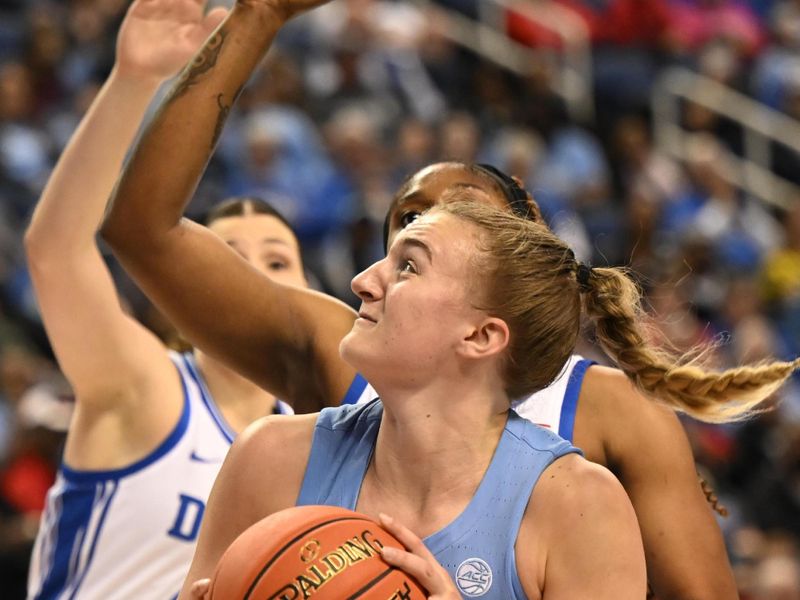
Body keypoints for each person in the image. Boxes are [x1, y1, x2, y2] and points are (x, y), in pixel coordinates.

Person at [99, 1, 799, 597]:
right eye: (402, 226)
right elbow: (143, 229)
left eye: (453, 214)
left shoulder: (606, 425)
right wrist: (261, 15)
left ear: (523, 241)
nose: (375, 271)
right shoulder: (333, 367)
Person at [185, 198, 651, 598]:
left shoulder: (578, 507)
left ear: (481, 336)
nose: (363, 281)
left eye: (408, 266)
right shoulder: (269, 457)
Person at [22, 1, 312, 598]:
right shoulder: (145, 384)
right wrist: (134, 81)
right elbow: (56, 253)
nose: (251, 278)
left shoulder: (317, 445)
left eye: (277, 262)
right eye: (228, 257)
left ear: (313, 297)